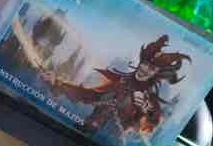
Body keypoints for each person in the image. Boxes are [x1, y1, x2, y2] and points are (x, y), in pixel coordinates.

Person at [41, 35, 191, 134]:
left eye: (151, 68)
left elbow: (149, 125)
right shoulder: (120, 82)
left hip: (109, 145)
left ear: (156, 74)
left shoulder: (150, 99)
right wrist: (58, 83)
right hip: (85, 130)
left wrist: (145, 111)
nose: (145, 69)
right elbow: (89, 96)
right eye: (145, 63)